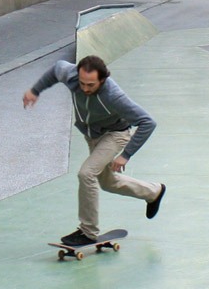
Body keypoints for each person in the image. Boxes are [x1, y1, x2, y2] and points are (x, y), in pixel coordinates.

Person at [22, 53, 166, 247]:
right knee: (107, 182)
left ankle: (88, 231)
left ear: (103, 79)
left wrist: (125, 155)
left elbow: (148, 122)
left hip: (115, 134)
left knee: (86, 174)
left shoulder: (114, 96)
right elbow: (56, 69)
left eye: (91, 85)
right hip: (92, 136)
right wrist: (35, 91)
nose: (85, 89)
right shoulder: (70, 74)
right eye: (82, 83)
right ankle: (153, 192)